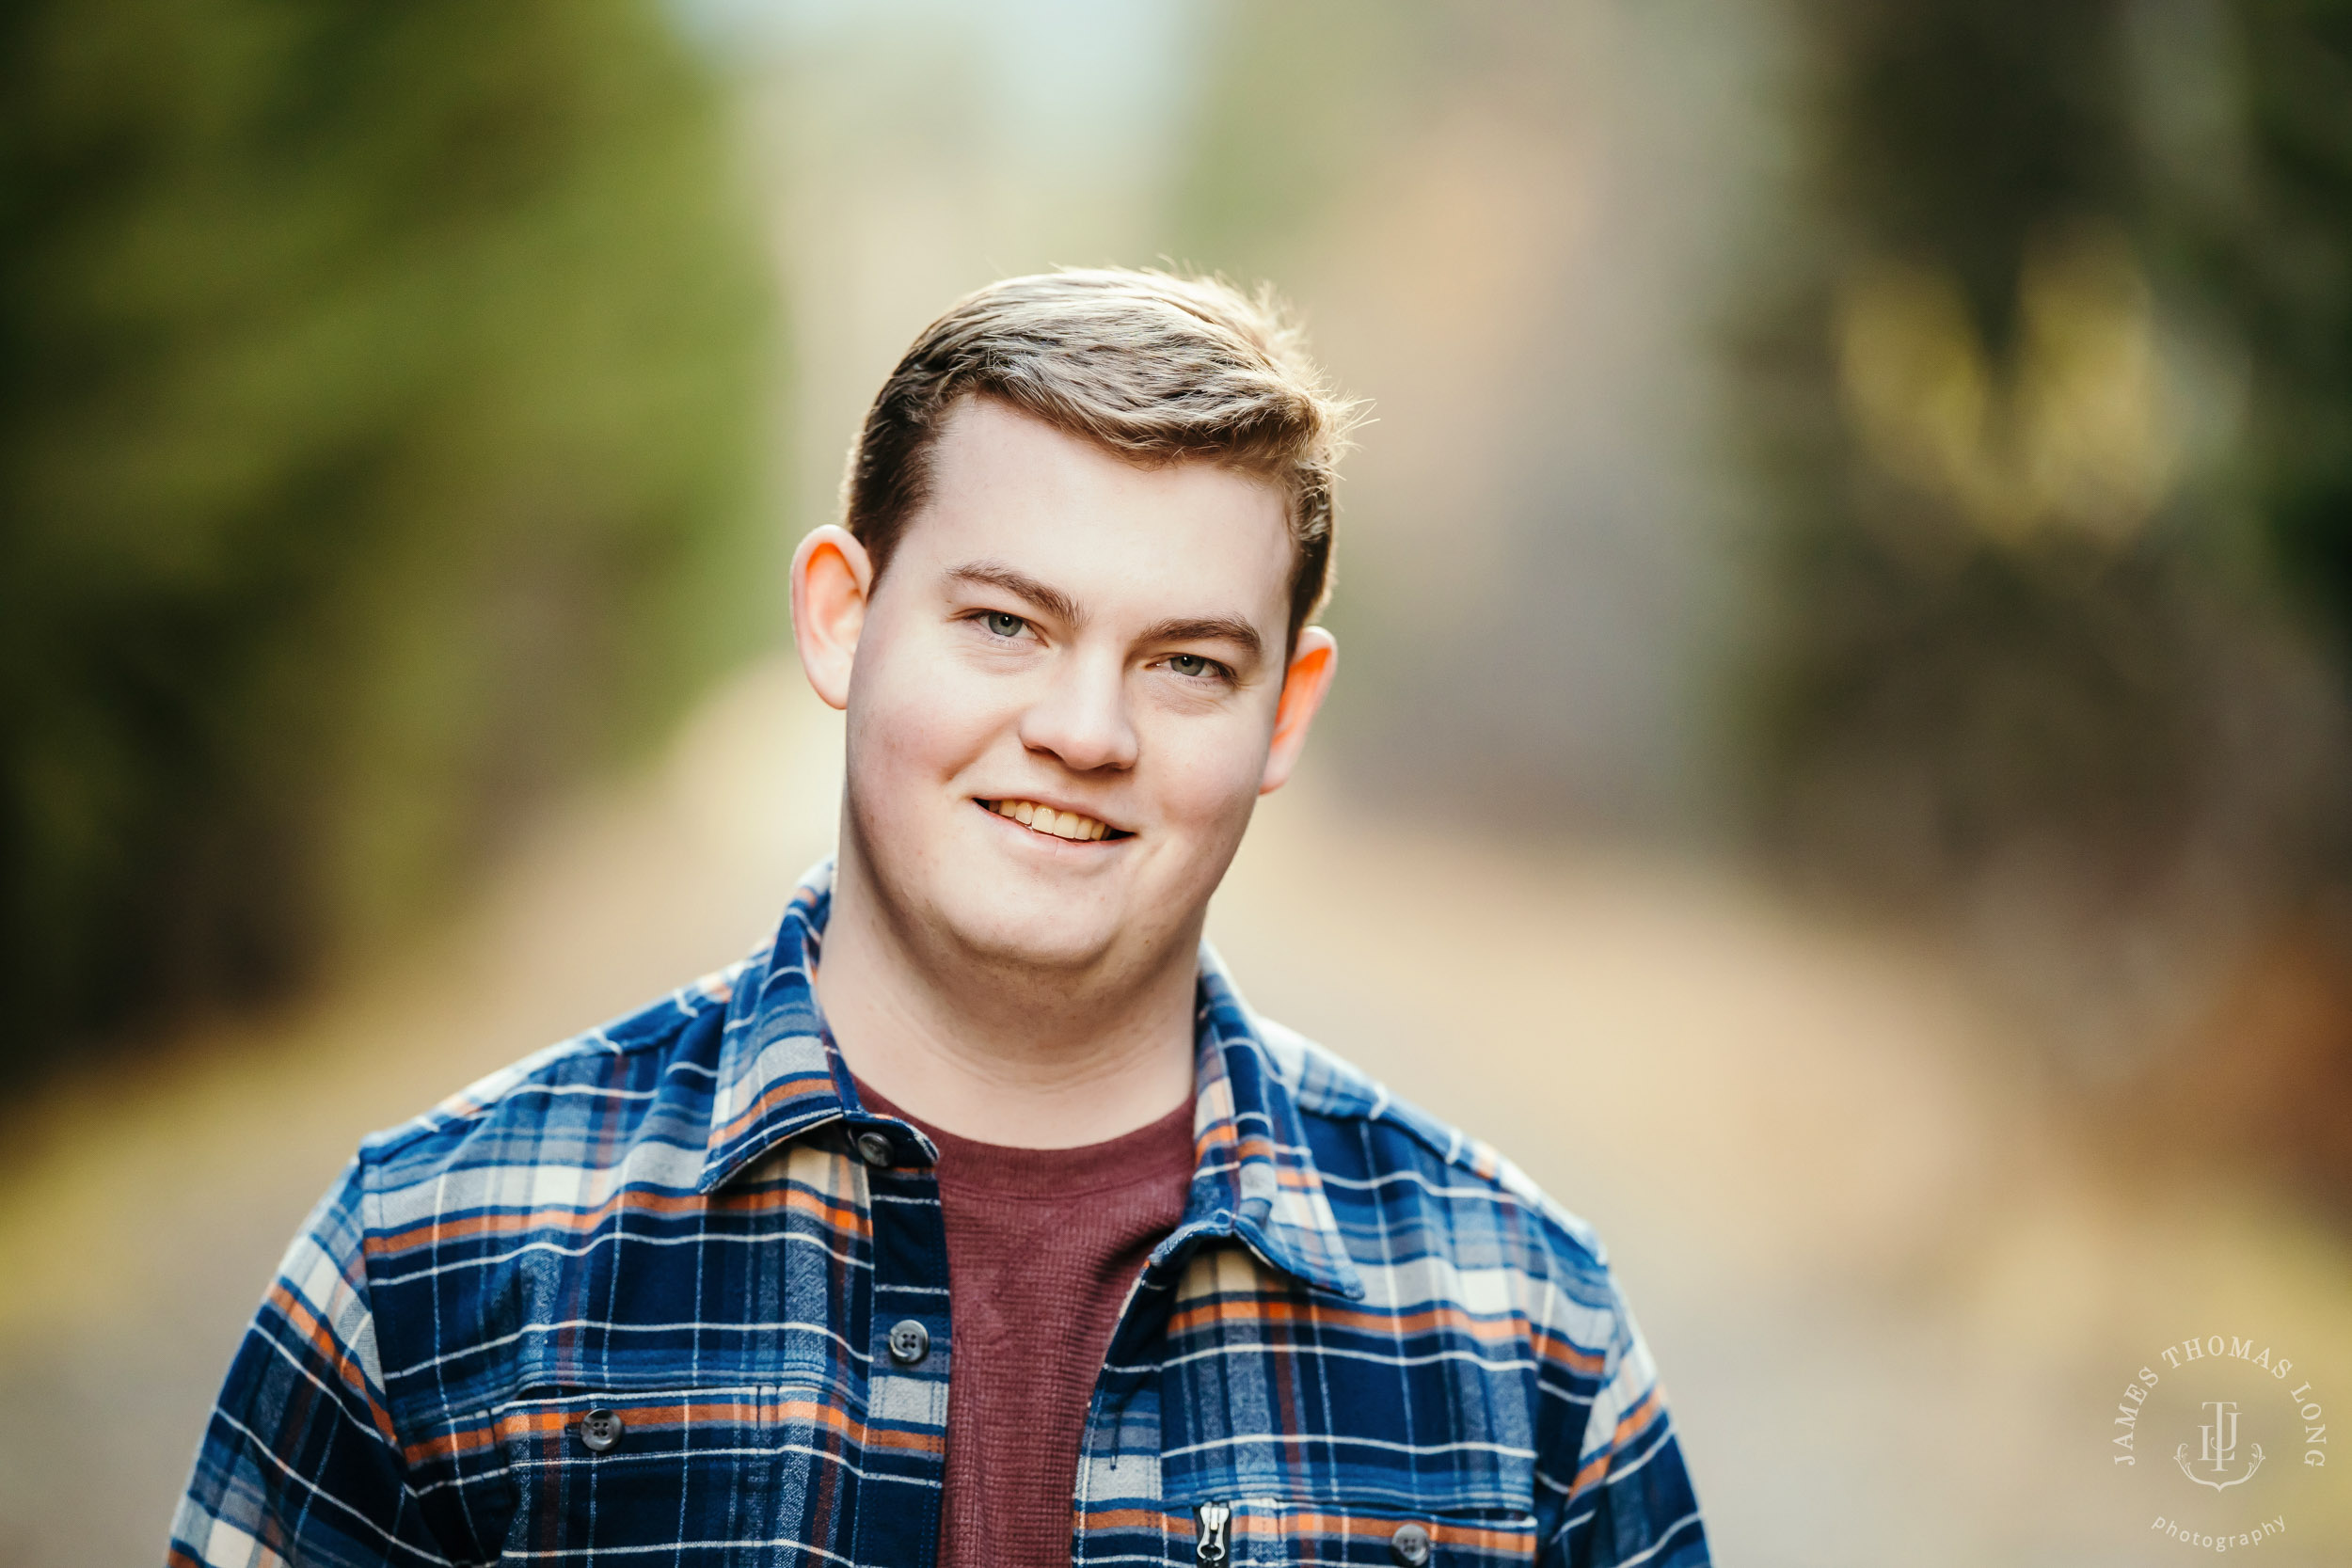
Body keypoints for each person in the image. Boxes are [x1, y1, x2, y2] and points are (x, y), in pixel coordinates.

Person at [167, 269, 1710, 1568]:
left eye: (1187, 663)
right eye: (1003, 623)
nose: (1086, 729)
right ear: (842, 617)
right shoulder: (435, 1261)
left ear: (1285, 713)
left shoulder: (1522, 1332)